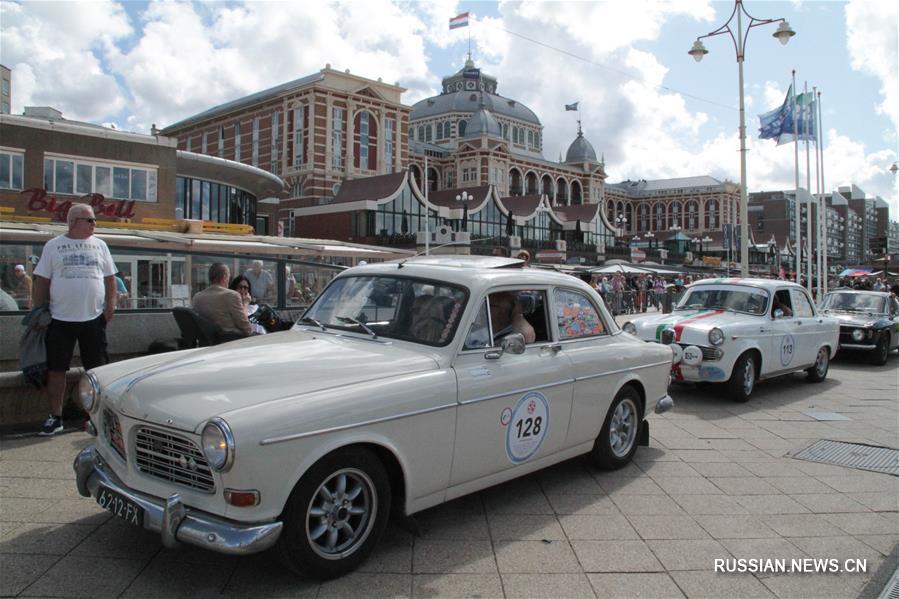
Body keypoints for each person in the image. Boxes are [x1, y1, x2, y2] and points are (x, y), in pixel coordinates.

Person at [32, 204, 118, 436]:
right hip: (60, 319)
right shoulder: (53, 246)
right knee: (56, 369)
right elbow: (42, 281)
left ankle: (96, 417)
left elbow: (111, 280)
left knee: (97, 369)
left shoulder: (101, 245)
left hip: (93, 318)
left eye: (94, 220)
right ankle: (55, 416)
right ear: (73, 222)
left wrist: (110, 307)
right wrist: (38, 312)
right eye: (89, 220)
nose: (94, 224)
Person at [192, 263, 252, 339]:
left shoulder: (197, 297)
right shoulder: (232, 295)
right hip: (232, 341)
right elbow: (247, 329)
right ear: (224, 277)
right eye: (229, 277)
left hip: (207, 342)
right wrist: (246, 304)